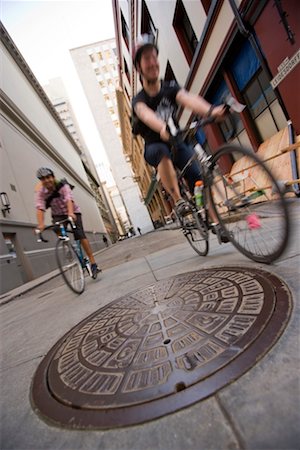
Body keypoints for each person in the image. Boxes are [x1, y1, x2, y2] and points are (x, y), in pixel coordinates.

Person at [132, 34, 229, 242]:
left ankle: (216, 224)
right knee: (162, 152)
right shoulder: (139, 100)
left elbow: (188, 99)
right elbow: (146, 115)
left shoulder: (170, 88)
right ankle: (178, 201)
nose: (152, 63)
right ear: (139, 68)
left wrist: (211, 110)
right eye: (146, 59)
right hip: (154, 145)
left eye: (154, 57)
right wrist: (162, 127)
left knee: (198, 180)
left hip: (176, 140)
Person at [35, 167, 101, 277]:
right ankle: (67, 246)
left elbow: (69, 199)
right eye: (43, 179)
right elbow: (40, 208)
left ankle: (93, 263)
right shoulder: (41, 192)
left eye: (48, 177)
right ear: (41, 181)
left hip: (73, 211)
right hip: (58, 214)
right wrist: (40, 224)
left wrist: (71, 213)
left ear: (53, 177)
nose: (46, 180)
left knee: (80, 234)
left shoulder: (63, 185)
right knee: (56, 228)